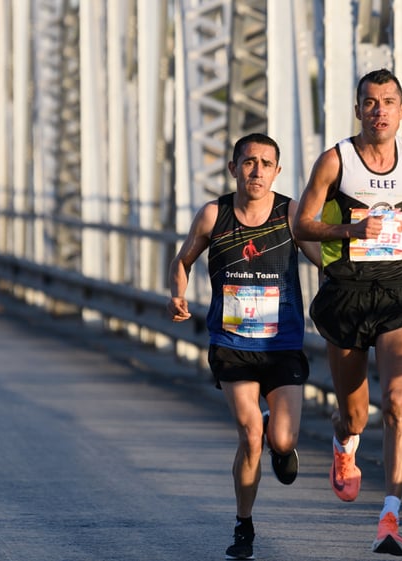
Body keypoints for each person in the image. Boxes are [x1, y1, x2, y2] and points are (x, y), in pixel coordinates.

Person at [293, 68, 402, 556]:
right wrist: (347, 236)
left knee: (397, 401)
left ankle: (391, 516)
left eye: (388, 101)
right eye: (370, 102)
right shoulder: (334, 161)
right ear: (358, 110)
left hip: (397, 290)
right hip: (347, 294)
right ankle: (345, 443)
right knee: (356, 415)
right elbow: (302, 225)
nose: (379, 110)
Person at [167, 133, 321, 560]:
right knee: (251, 436)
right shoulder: (214, 214)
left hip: (282, 343)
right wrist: (177, 293)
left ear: (277, 171)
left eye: (265, 163)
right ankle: (244, 525)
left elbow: (322, 260)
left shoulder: (290, 213)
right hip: (231, 343)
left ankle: (280, 439)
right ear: (234, 168)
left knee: (284, 440)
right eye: (248, 162)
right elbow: (183, 260)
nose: (256, 170)